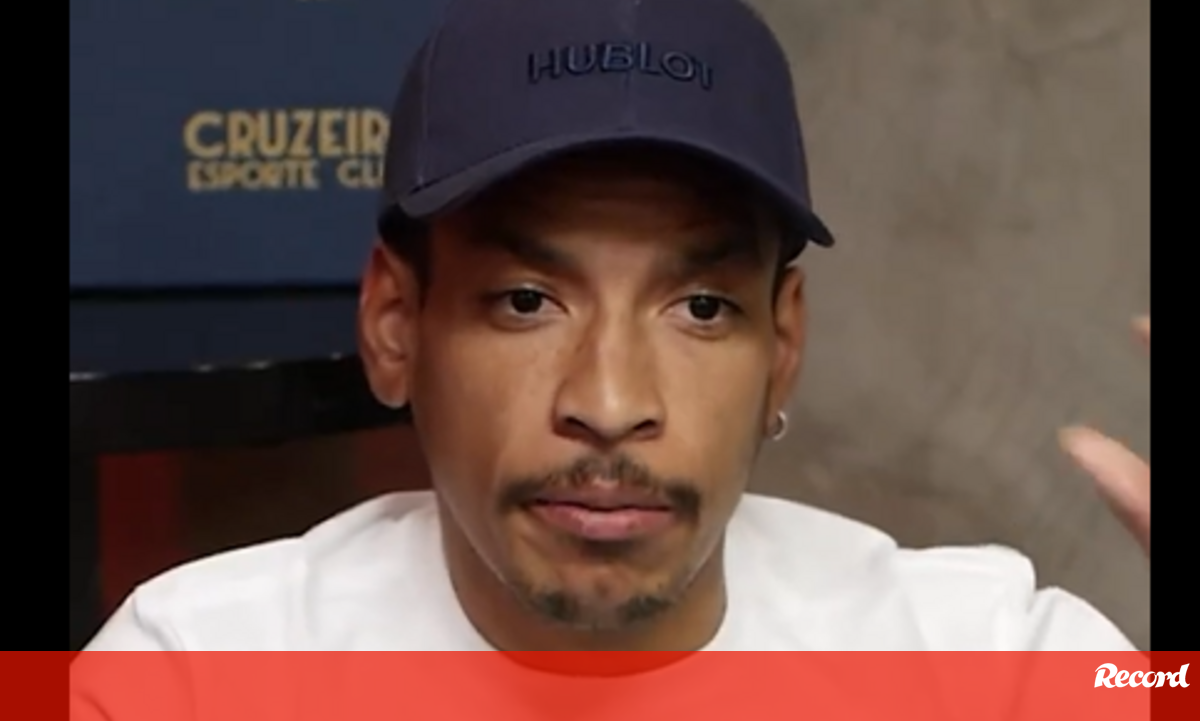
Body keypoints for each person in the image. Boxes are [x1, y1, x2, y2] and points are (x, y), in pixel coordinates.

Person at [80, 0, 1148, 654]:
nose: (609, 401)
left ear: (782, 350)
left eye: (701, 307)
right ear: (396, 324)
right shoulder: (185, 667)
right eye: (526, 301)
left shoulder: (1004, 659)